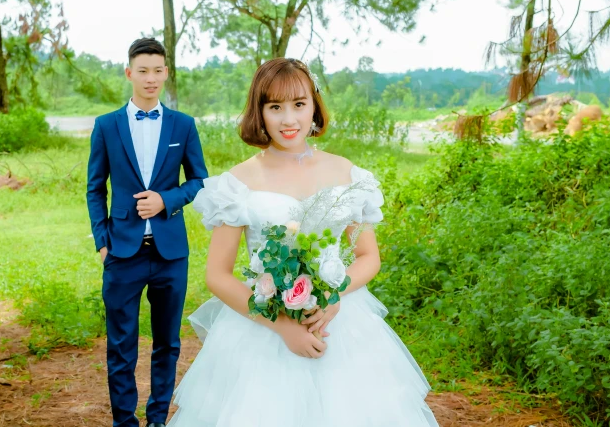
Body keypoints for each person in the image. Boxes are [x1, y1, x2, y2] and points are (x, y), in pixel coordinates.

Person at [168, 57, 438, 426]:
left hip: (340, 325)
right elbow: (217, 275)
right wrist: (282, 325)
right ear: (259, 113)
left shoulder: (347, 174)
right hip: (262, 329)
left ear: (314, 106)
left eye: (298, 104)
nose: (289, 119)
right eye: (275, 107)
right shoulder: (237, 183)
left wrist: (333, 297)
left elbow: (367, 255)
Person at [86, 38, 208, 427]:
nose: (151, 78)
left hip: (171, 253)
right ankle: (125, 421)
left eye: (158, 70)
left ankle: (157, 419)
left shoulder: (183, 125)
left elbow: (200, 181)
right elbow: (95, 188)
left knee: (167, 344)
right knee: (121, 346)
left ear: (166, 72)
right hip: (122, 252)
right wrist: (103, 243)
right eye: (143, 71)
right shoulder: (106, 126)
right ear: (129, 73)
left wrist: (166, 200)